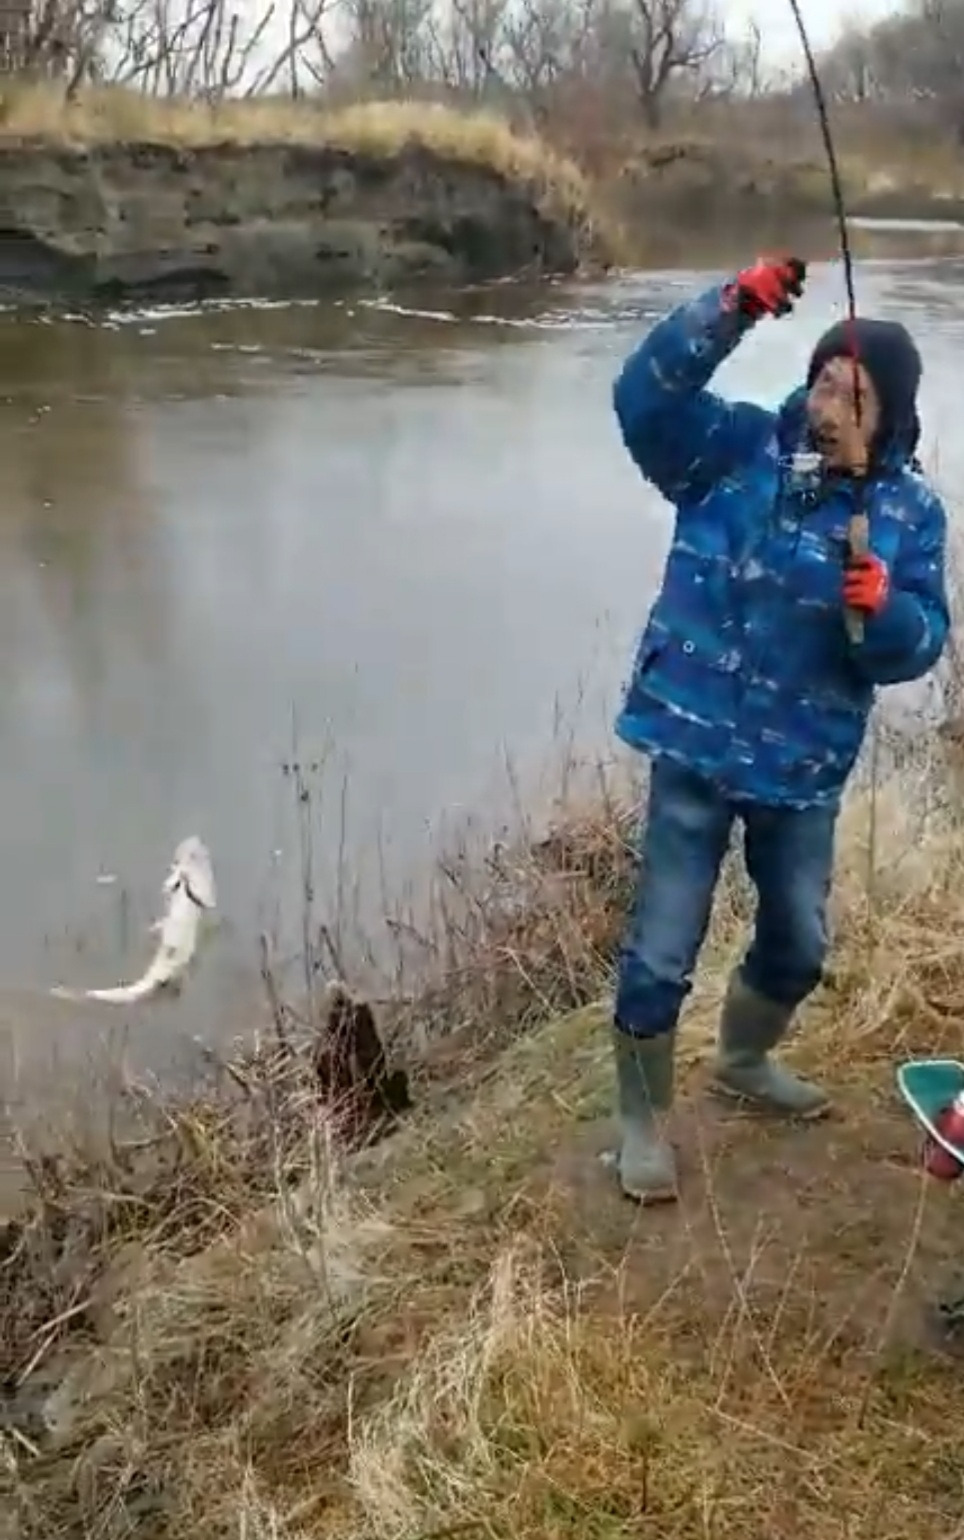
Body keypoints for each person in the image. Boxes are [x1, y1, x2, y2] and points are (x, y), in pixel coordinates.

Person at [609, 255, 950, 1204]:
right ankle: (640, 1121)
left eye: (856, 395)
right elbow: (641, 400)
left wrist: (885, 612)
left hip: (803, 768)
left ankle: (743, 1059)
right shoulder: (732, 451)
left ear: (892, 417)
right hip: (693, 746)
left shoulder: (910, 515)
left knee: (798, 941)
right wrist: (729, 309)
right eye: (824, 381)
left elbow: (921, 643)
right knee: (662, 947)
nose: (830, 404)